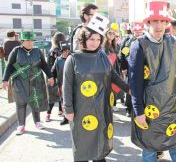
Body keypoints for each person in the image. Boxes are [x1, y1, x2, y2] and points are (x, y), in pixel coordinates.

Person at [63, 13, 129, 162]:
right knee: (83, 144)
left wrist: (129, 89)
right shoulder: (73, 59)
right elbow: (66, 85)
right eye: (92, 39)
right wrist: (68, 109)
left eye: (98, 39)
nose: (95, 42)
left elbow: (114, 77)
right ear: (84, 39)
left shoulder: (102, 56)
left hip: (102, 108)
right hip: (81, 109)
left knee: (100, 142)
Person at [128, 1, 176, 162]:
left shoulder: (171, 42)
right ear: (148, 23)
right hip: (150, 108)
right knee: (149, 149)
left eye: (162, 21)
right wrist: (138, 111)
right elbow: (135, 83)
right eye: (155, 21)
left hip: (171, 106)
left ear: (167, 23)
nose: (159, 25)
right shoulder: (139, 45)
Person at [2, 31, 54, 135]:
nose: (30, 43)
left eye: (32, 41)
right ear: (22, 41)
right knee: (21, 103)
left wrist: (50, 76)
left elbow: (43, 65)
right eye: (27, 41)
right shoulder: (16, 51)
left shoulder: (37, 51)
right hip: (19, 81)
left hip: (36, 80)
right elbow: (9, 65)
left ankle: (37, 122)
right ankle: (21, 125)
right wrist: (5, 80)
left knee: (35, 100)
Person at [119, 21, 144, 117]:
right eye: (136, 31)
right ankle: (129, 108)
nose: (138, 33)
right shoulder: (127, 40)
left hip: (143, 69)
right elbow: (121, 54)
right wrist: (124, 67)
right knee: (131, 88)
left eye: (140, 31)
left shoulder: (146, 39)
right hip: (130, 68)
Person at [45, 32, 66, 122]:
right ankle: (56, 112)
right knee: (60, 94)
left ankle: (49, 114)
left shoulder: (51, 50)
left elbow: (48, 64)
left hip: (50, 75)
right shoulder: (61, 50)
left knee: (52, 96)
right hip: (59, 75)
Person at [103, 24, 123, 111]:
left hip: (115, 68)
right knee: (107, 87)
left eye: (113, 33)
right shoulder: (103, 46)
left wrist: (120, 71)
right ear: (106, 34)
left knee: (115, 87)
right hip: (105, 69)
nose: (111, 35)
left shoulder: (117, 46)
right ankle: (107, 105)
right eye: (109, 33)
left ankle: (114, 103)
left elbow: (118, 59)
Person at [51, 40, 70, 125]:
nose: (67, 52)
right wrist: (51, 78)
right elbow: (53, 71)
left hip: (72, 84)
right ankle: (66, 118)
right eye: (65, 51)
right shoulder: (58, 60)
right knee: (64, 101)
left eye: (68, 50)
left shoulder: (72, 59)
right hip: (62, 85)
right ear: (62, 51)